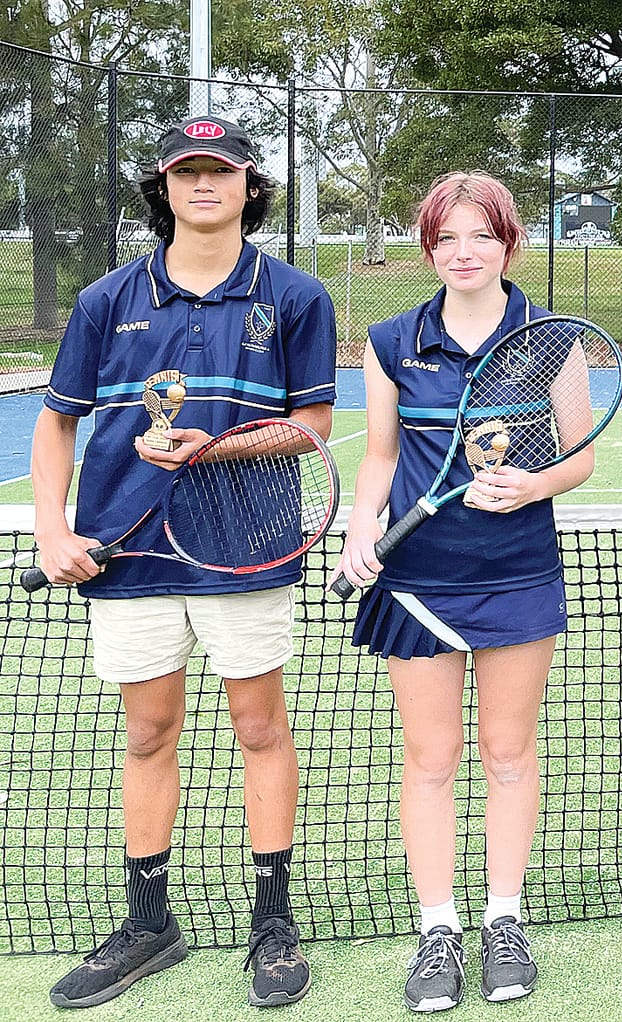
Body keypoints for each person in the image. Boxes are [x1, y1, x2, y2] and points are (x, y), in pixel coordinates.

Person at [37, 115, 334, 1009]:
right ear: (162, 190)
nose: (204, 185)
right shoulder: (103, 300)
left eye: (221, 170)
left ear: (251, 185)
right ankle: (148, 924)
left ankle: (271, 921)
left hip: (246, 548)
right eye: (185, 172)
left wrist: (220, 449)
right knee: (147, 735)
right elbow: (59, 421)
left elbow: (311, 427)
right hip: (123, 558)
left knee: (259, 730)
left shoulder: (297, 297)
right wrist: (54, 531)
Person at [337, 171, 583, 1012]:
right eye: (447, 237)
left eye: (480, 234)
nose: (463, 251)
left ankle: (503, 921)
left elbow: (578, 458)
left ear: (507, 242)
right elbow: (378, 456)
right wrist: (362, 526)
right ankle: (437, 929)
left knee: (509, 757)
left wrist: (531, 485)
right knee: (431, 760)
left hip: (517, 574)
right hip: (418, 584)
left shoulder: (552, 339)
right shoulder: (389, 340)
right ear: (429, 247)